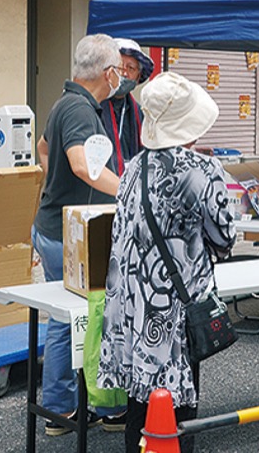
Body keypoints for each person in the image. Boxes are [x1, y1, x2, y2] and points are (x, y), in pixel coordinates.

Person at [97, 72, 233, 453]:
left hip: (133, 308)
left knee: (140, 407)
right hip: (174, 311)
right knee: (178, 411)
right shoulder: (203, 171)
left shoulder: (133, 169)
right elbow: (224, 237)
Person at [31, 34, 125, 434]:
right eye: (120, 69)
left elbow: (43, 149)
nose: (121, 76)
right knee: (78, 318)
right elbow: (84, 166)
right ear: (109, 73)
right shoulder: (81, 110)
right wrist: (129, 189)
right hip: (67, 233)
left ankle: (61, 406)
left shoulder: (63, 103)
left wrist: (58, 186)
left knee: (65, 317)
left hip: (53, 226)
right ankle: (65, 407)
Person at [99, 39, 154, 177]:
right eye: (120, 67)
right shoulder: (93, 107)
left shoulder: (141, 114)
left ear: (138, 77)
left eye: (130, 68)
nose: (124, 74)